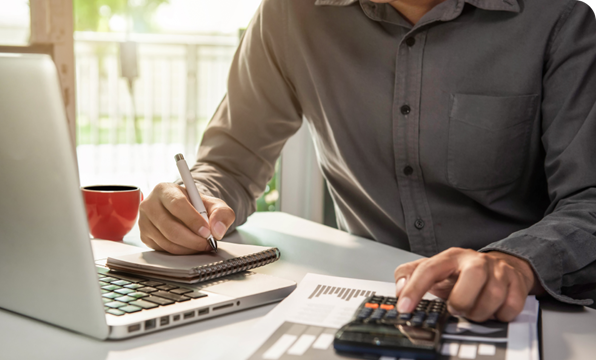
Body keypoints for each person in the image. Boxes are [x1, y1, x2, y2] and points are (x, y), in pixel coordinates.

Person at [139, 0, 596, 322]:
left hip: (530, 314)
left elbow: (589, 201)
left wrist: (515, 264)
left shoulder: (564, 14)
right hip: (359, 304)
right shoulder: (289, 12)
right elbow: (230, 164)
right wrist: (195, 203)